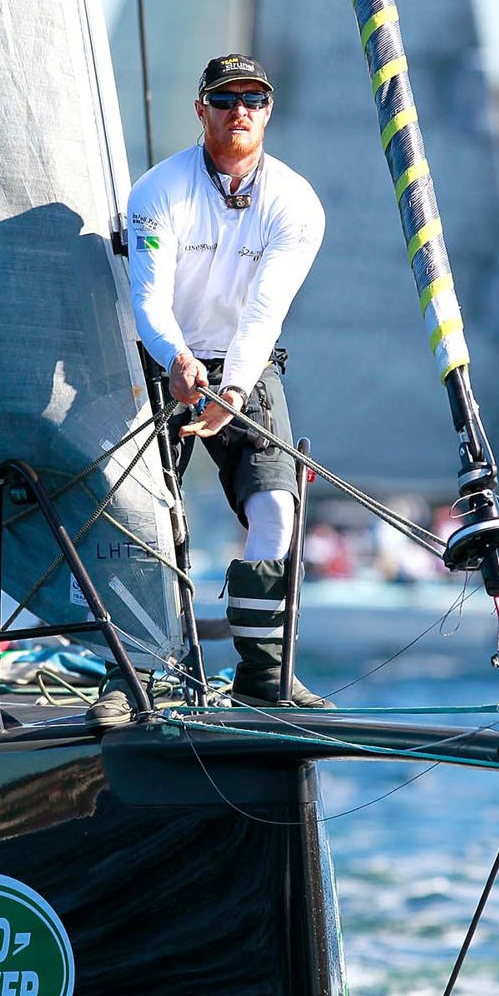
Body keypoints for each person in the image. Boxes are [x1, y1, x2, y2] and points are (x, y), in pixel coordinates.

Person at [90, 53, 329, 727]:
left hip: (248, 369)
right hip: (161, 364)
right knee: (143, 517)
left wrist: (232, 388)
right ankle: (132, 673)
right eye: (225, 99)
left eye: (254, 99)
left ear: (268, 111)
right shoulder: (157, 192)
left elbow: (264, 313)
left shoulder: (296, 204)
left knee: (277, 512)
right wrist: (179, 360)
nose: (240, 111)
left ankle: (263, 678)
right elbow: (148, 301)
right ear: (201, 110)